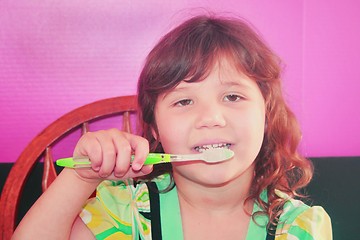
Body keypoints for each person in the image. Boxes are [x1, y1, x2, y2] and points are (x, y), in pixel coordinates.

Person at [13, 13, 332, 239]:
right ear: (154, 129)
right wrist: (82, 177)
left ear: (266, 114)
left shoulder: (298, 227)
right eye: (184, 102)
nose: (211, 118)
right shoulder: (127, 215)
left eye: (233, 96)